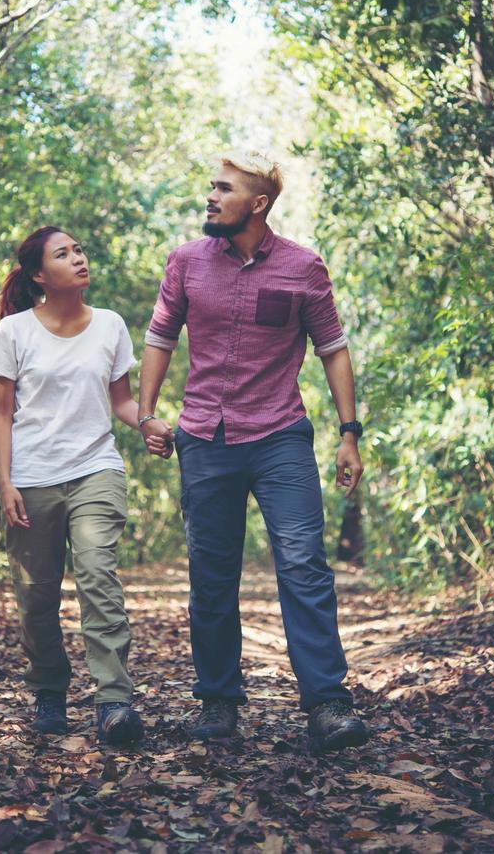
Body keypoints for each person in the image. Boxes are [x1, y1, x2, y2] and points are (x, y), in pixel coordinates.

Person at [138, 151, 369, 756]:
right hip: (204, 439)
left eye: (223, 188)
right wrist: (146, 412)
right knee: (212, 575)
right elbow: (161, 336)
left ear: (258, 204)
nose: (210, 196)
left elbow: (333, 349)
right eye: (211, 186)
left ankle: (327, 705)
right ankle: (219, 699)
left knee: (302, 563)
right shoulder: (186, 262)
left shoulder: (303, 267)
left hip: (279, 435)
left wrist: (349, 432)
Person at [0, 226, 171, 742]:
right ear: (40, 275)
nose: (78, 259)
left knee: (98, 576)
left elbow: (121, 403)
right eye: (63, 254)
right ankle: (48, 690)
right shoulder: (14, 331)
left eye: (79, 250)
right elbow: (2, 414)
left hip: (96, 469)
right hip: (32, 478)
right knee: (35, 596)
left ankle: (114, 702)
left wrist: (149, 422)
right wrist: (6, 482)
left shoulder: (109, 325)